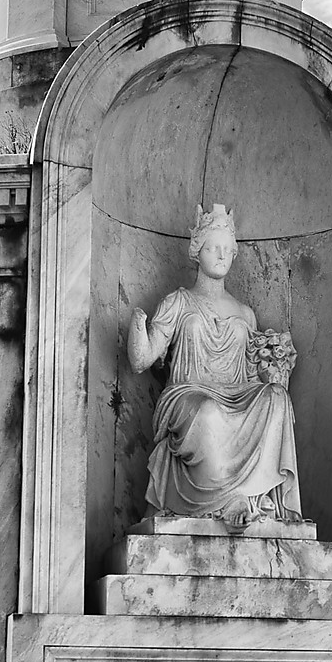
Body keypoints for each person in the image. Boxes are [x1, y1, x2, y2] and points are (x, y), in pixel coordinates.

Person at [128, 204, 303, 528]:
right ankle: (228, 501)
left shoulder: (245, 312)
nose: (221, 255)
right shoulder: (178, 301)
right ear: (197, 252)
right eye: (213, 248)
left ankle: (251, 495)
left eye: (227, 249)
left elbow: (253, 373)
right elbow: (142, 360)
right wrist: (138, 327)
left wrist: (276, 367)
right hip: (189, 392)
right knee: (208, 412)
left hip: (238, 393)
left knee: (277, 398)